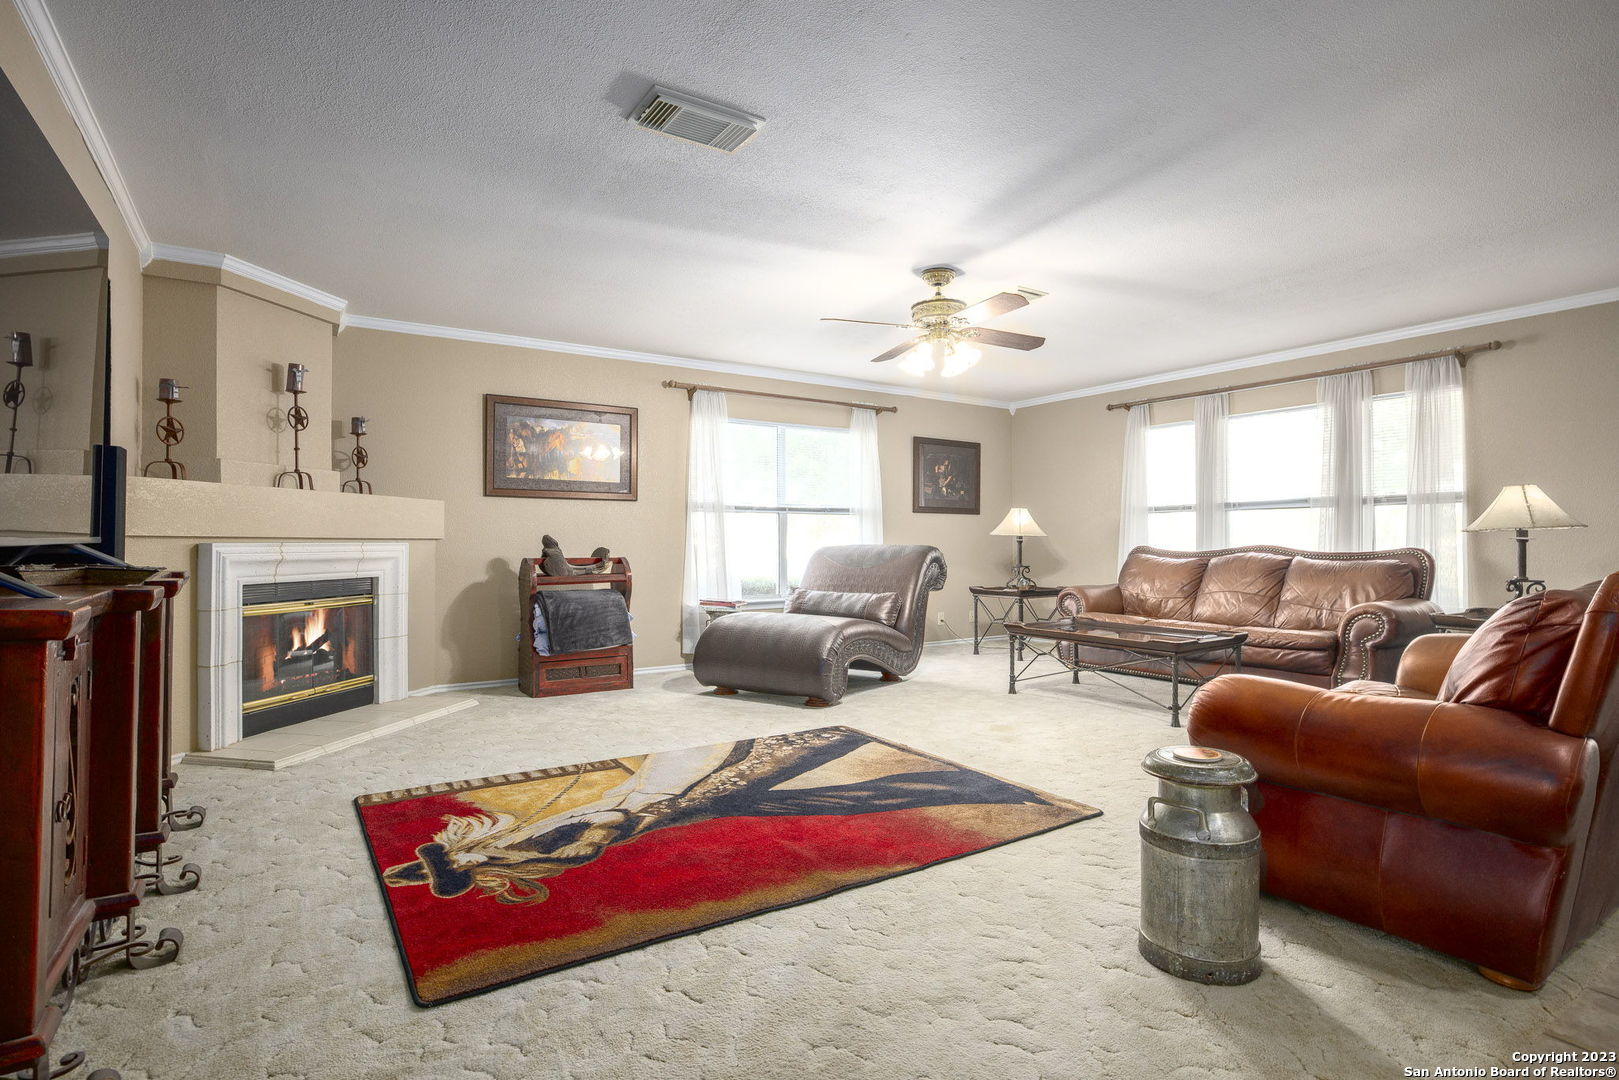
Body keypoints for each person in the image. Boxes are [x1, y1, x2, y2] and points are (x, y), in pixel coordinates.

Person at [383, 729, 1053, 904]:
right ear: (477, 868)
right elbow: (602, 832)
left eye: (447, 851)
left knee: (807, 785)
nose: (458, 847)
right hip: (679, 796)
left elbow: (590, 825)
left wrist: (454, 861)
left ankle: (974, 790)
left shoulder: (520, 839)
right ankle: (984, 792)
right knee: (804, 763)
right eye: (457, 861)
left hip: (665, 789)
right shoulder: (548, 852)